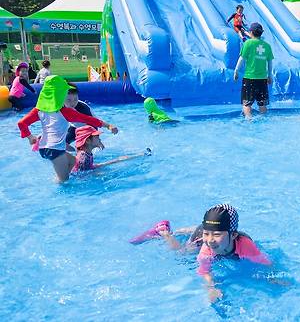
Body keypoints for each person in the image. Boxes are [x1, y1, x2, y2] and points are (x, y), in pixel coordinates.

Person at [130, 204, 271, 302]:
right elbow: (204, 271)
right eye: (208, 234)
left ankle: (192, 229)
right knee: (181, 254)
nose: (210, 240)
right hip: (199, 236)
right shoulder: (206, 249)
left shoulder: (246, 246)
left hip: (208, 231)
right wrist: (211, 288)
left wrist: (272, 279)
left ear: (233, 235)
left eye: (216, 235)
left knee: (206, 232)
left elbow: (266, 264)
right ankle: (164, 231)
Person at [17, 75, 118, 183]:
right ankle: (58, 184)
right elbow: (89, 120)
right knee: (64, 181)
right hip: (54, 150)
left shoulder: (38, 110)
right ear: (60, 95)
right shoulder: (65, 112)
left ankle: (60, 175)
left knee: (73, 161)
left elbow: (21, 123)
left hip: (45, 148)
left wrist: (30, 137)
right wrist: (108, 125)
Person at [233, 23, 274, 118]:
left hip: (249, 78)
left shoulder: (248, 43)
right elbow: (270, 62)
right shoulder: (267, 46)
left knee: (247, 104)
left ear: (251, 32)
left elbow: (241, 58)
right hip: (262, 79)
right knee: (262, 104)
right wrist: (270, 76)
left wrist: (236, 71)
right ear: (261, 33)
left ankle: (249, 120)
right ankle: (264, 119)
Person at [72, 125, 150, 173]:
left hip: (91, 167)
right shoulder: (83, 157)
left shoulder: (85, 152)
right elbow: (83, 176)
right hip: (86, 172)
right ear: (88, 141)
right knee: (112, 167)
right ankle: (141, 154)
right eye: (97, 137)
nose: (100, 139)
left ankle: (140, 154)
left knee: (116, 160)